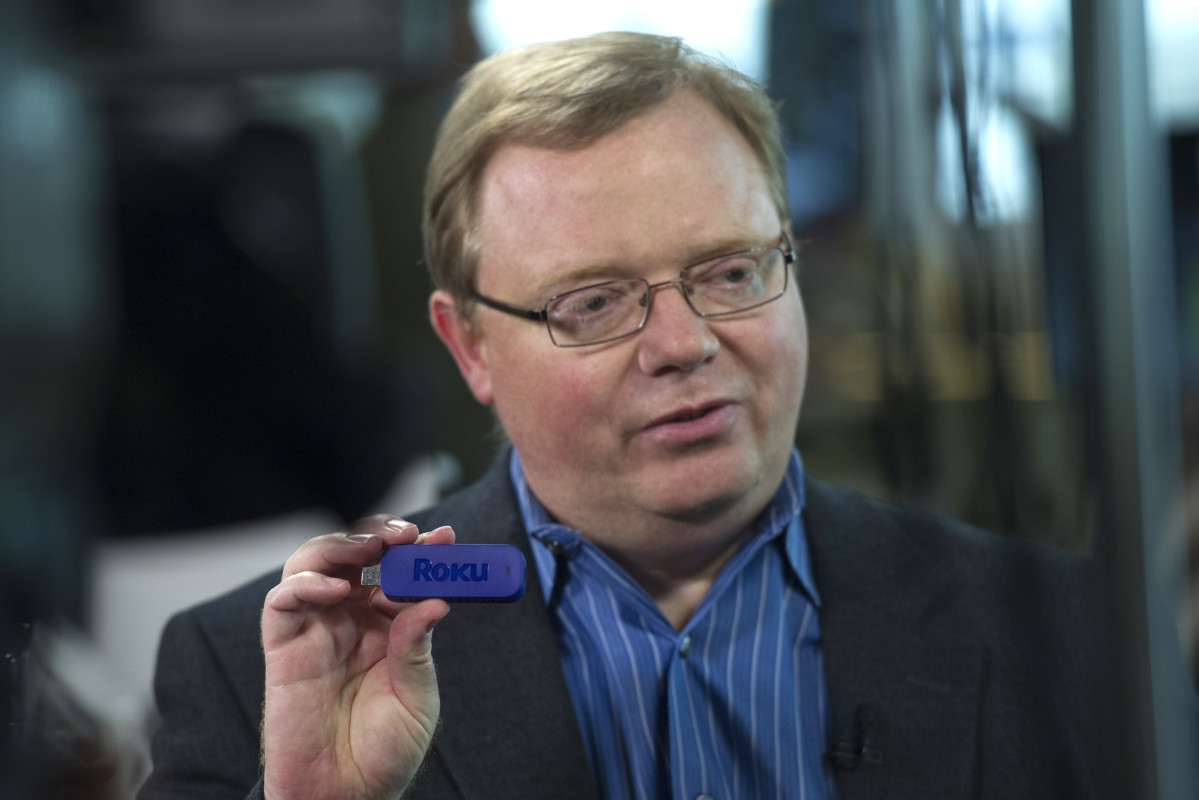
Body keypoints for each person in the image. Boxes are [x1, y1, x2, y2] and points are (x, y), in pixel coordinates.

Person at [137, 32, 1106, 800]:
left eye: (730, 272)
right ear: (469, 346)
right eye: (593, 302)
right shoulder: (256, 681)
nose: (683, 343)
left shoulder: (1064, 631)